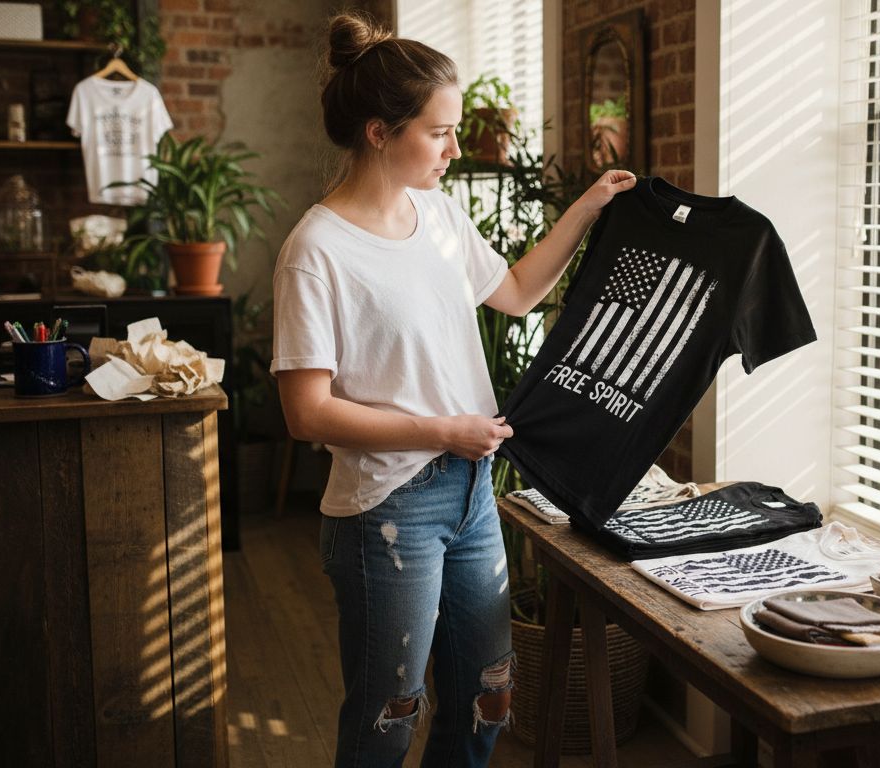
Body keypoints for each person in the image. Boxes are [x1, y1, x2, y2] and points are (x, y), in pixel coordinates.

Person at [270, 10, 636, 768]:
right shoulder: (317, 251)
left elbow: (515, 291)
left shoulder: (438, 215)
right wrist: (442, 431)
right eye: (438, 131)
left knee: (487, 697)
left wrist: (587, 207)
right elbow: (306, 414)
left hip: (470, 493)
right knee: (387, 720)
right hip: (387, 512)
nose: (455, 147)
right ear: (379, 132)